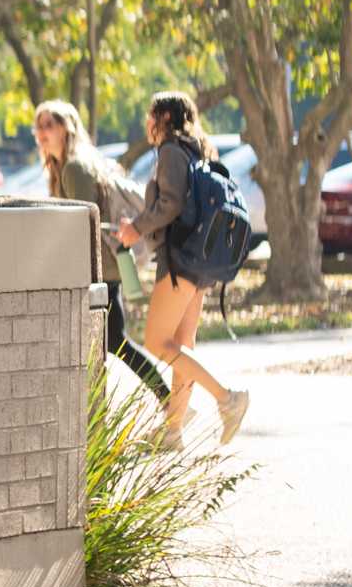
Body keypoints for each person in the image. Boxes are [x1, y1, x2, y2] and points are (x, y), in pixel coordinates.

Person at [116, 91, 251, 447]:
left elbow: (170, 204)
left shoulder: (171, 151)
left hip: (180, 260)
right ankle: (173, 430)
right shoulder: (200, 150)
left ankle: (227, 399)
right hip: (201, 261)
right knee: (181, 346)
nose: (147, 123)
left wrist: (135, 228)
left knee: (157, 342)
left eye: (151, 115)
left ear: (163, 118)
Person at [31, 99, 167, 399]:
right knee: (108, 342)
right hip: (105, 266)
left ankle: (168, 401)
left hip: (99, 268)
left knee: (113, 341)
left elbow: (82, 225)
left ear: (67, 129)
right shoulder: (64, 166)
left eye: (49, 125)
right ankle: (163, 402)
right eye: (38, 125)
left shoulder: (75, 168)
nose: (41, 132)